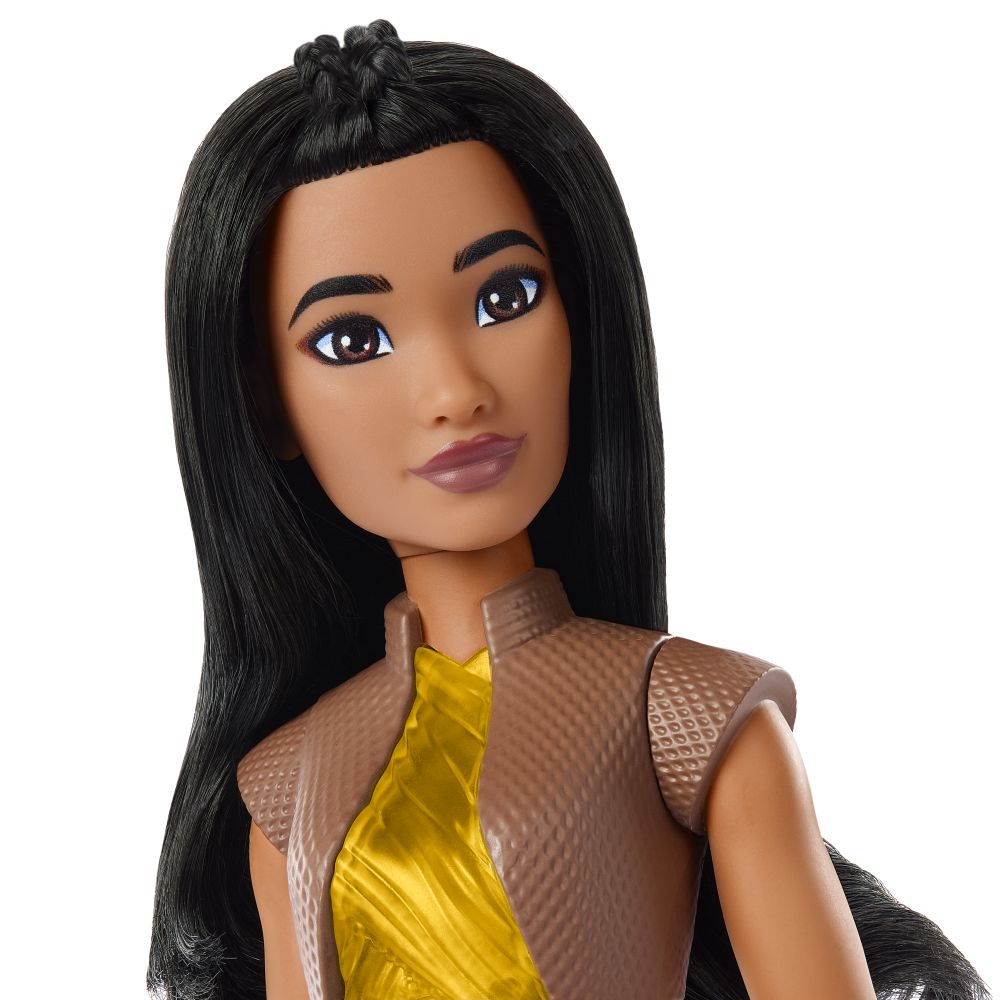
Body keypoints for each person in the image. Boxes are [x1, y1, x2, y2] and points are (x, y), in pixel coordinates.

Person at [147, 20, 990, 1000]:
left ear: (580, 318)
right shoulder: (288, 788)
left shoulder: (686, 718)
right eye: (352, 341)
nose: (455, 392)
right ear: (266, 406)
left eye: (505, 297)